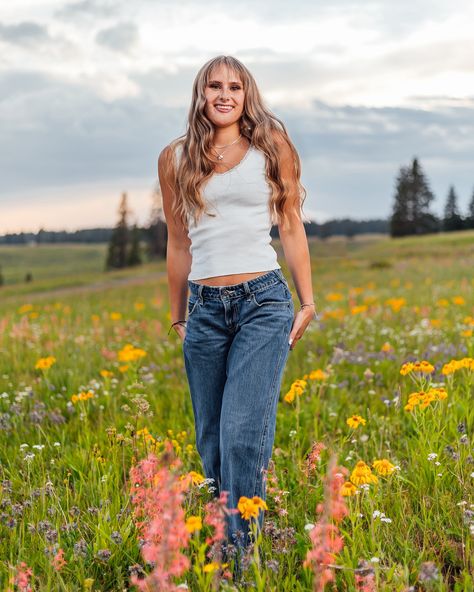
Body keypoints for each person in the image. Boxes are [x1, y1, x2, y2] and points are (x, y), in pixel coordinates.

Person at [158, 55, 317, 571]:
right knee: (211, 439)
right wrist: (179, 315)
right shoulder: (175, 158)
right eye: (214, 86)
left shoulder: (271, 146)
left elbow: (290, 224)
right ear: (200, 94)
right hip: (204, 309)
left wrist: (307, 300)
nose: (224, 95)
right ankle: (226, 533)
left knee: (242, 433)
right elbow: (178, 241)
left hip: (263, 303)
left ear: (247, 94)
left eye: (235, 87)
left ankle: (238, 559)